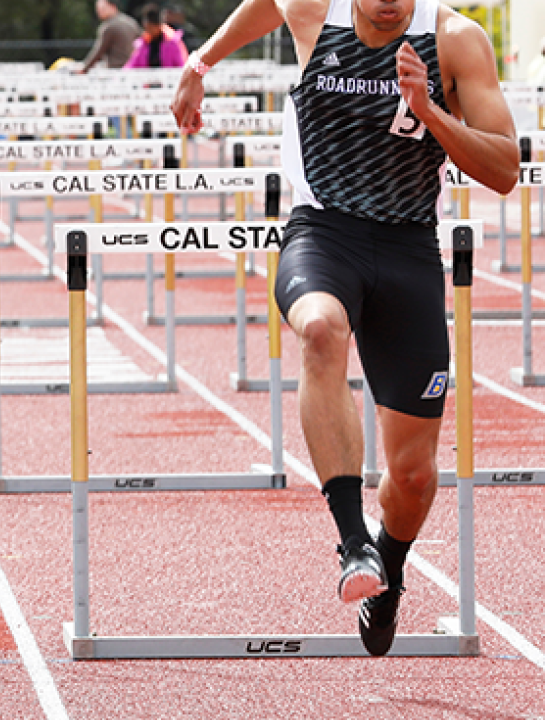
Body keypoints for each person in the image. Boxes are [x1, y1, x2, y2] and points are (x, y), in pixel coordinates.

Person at [173, 0, 518, 657]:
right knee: (321, 331)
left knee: (413, 477)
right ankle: (354, 542)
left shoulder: (456, 40)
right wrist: (199, 63)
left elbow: (503, 168)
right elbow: (264, 6)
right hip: (324, 234)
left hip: (410, 250)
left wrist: (433, 112)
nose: (388, 4)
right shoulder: (313, 11)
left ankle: (388, 569)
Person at [78, 0, 141, 72]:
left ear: (113, 6)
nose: (99, 12)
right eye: (98, 9)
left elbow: (98, 52)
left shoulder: (108, 26)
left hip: (114, 70)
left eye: (102, 8)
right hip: (133, 68)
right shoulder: (132, 22)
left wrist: (83, 69)